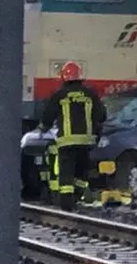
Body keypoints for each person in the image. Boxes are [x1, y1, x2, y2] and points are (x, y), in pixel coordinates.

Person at [39, 68, 107, 211]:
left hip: (67, 142)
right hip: (86, 141)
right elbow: (101, 116)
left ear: (65, 79)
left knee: (66, 173)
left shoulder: (60, 95)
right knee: (81, 171)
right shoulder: (90, 94)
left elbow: (48, 116)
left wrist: (44, 127)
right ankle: (76, 196)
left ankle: (66, 204)